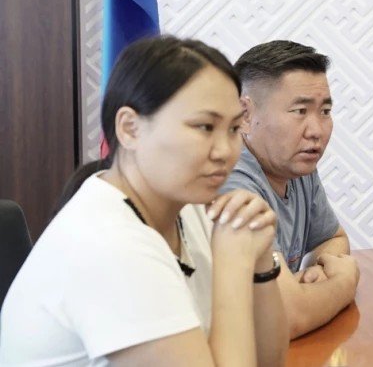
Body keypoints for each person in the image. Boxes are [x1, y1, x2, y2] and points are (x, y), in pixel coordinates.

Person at [0, 36, 287, 365]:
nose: (224, 151)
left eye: (234, 129)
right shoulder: (109, 243)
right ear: (130, 128)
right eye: (205, 127)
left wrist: (260, 262)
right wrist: (233, 267)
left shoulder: (188, 206)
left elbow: (270, 362)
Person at [221, 40, 359, 339]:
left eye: (325, 111)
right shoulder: (230, 182)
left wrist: (316, 273)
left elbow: (333, 239)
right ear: (244, 115)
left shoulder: (295, 165)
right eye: (299, 111)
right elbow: (285, 317)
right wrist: (343, 283)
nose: (316, 130)